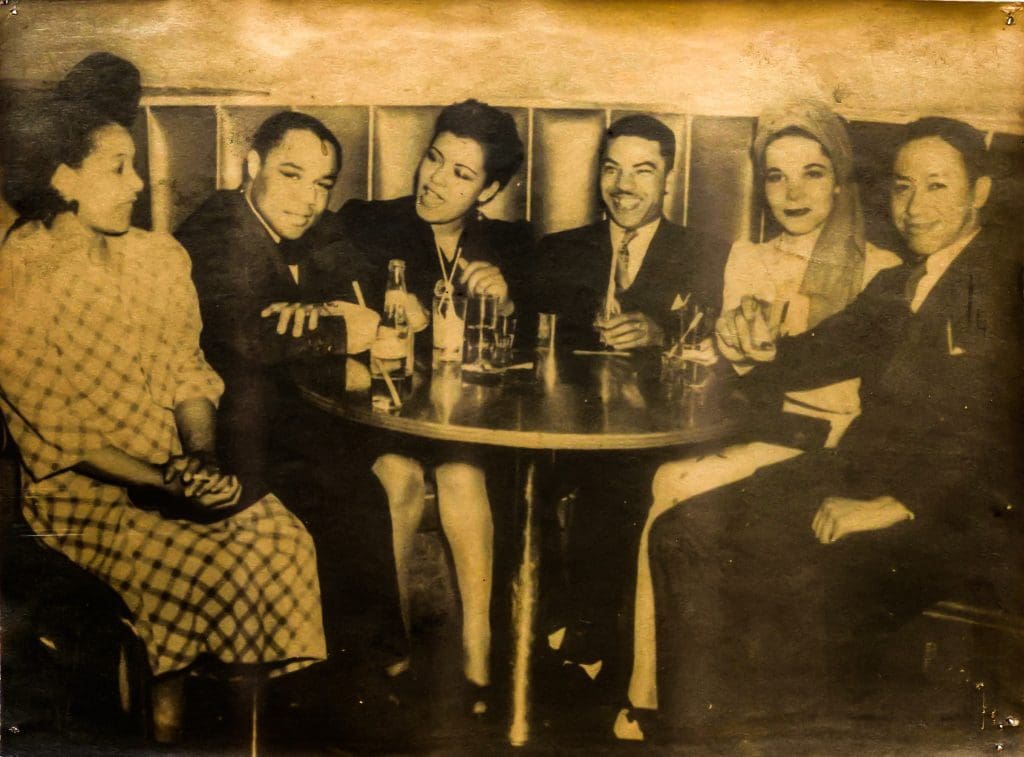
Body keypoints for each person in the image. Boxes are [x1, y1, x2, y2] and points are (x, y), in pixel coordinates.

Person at [647, 117, 1023, 742]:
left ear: (979, 193)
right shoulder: (898, 283)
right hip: (858, 474)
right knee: (683, 533)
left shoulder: (1003, 284)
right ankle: (696, 737)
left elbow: (1002, 435)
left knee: (797, 580)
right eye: (903, 187)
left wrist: (894, 505)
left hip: (956, 516)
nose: (914, 207)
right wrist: (756, 348)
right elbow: (815, 354)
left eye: (936, 187)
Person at [0, 97, 326, 743]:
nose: (140, 183)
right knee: (209, 564)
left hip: (174, 473)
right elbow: (62, 429)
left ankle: (245, 732)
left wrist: (201, 459)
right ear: (63, 179)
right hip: (83, 497)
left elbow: (187, 370)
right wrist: (166, 482)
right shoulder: (15, 279)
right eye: (118, 168)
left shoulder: (159, 257)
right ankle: (168, 722)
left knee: (281, 540)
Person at [615, 101, 901, 741]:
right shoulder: (747, 256)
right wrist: (732, 354)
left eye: (812, 173)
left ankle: (659, 696)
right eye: (775, 176)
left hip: (833, 444)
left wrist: (756, 356)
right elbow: (735, 366)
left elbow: (846, 384)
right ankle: (658, 689)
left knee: (673, 485)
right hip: (764, 430)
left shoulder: (880, 270)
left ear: (840, 179)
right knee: (666, 478)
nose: (792, 192)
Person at [174, 111, 398, 679]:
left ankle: (365, 669)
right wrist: (342, 327)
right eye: (291, 175)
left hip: (294, 417)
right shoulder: (215, 230)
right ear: (251, 166)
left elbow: (366, 287)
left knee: (363, 482)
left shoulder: (313, 225)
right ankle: (356, 678)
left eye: (322, 185)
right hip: (221, 428)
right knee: (351, 492)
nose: (308, 199)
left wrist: (319, 313)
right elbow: (252, 338)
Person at [335, 99, 531, 716]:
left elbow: (528, 357)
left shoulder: (512, 247)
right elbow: (341, 297)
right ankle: (389, 654)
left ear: (490, 190)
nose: (436, 180)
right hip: (384, 413)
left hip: (466, 423)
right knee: (397, 476)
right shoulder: (368, 223)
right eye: (434, 158)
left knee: (463, 474)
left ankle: (477, 654)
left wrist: (505, 305)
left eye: (461, 174)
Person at [531, 114, 729, 696]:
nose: (625, 185)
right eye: (612, 169)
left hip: (653, 433)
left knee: (614, 482)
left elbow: (719, 346)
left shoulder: (708, 255)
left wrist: (662, 334)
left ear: (668, 178)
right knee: (516, 478)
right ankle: (548, 632)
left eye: (644, 171)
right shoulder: (557, 251)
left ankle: (587, 642)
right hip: (560, 424)